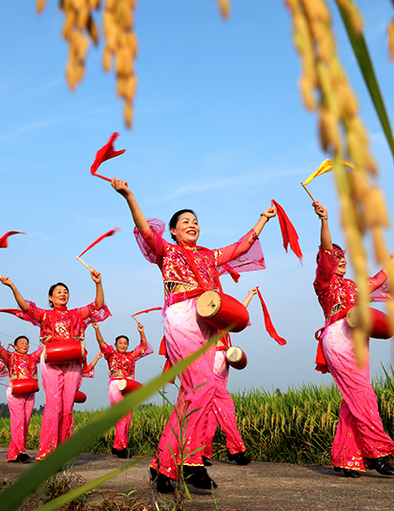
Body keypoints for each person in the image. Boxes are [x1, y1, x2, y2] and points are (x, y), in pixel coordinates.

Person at [111, 177, 276, 492]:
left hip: (208, 318)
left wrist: (262, 220)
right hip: (182, 317)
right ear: (172, 230)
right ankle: (174, 466)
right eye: (185, 221)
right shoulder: (166, 252)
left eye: (196, 222)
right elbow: (146, 231)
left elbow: (240, 247)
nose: (192, 225)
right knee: (198, 390)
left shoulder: (209, 256)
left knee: (202, 393)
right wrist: (130, 196)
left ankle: (189, 464)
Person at [312, 200, 394, 478]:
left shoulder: (353, 287)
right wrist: (324, 220)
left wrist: (392, 261)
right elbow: (326, 249)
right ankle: (377, 454)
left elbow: (376, 281)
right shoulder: (324, 283)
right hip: (338, 336)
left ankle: (344, 458)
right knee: (363, 395)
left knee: (353, 399)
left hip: (359, 339)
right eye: (336, 257)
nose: (341, 260)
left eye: (343, 257)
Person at [0, 269, 110, 460]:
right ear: (50, 297)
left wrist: (98, 283)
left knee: (67, 407)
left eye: (65, 291)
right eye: (58, 291)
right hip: (51, 360)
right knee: (54, 404)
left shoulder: (76, 314)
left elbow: (97, 305)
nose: (63, 294)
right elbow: (26, 308)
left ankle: (64, 450)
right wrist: (12, 286)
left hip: (72, 361)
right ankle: (47, 450)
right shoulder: (45, 315)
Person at [200, 288, 258, 467]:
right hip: (211, 370)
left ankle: (201, 453)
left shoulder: (223, 323)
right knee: (227, 408)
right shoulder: (204, 323)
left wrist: (249, 295)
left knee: (211, 416)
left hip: (220, 367)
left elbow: (238, 311)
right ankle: (236, 450)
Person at [92, 321, 152, 459]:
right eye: (120, 343)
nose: (123, 345)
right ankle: (123, 448)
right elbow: (101, 342)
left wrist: (141, 331)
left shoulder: (131, 356)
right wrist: (97, 329)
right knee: (121, 416)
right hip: (115, 385)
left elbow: (143, 346)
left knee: (128, 418)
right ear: (116, 345)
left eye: (125, 343)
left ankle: (116, 446)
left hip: (129, 386)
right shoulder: (111, 354)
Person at [0, 325, 44, 463]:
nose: (25, 345)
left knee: (25, 421)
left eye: (27, 343)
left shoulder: (32, 357)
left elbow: (43, 350)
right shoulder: (10, 357)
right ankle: (21, 451)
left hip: (29, 391)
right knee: (18, 421)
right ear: (15, 347)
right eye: (21, 343)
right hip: (15, 390)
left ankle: (12, 454)